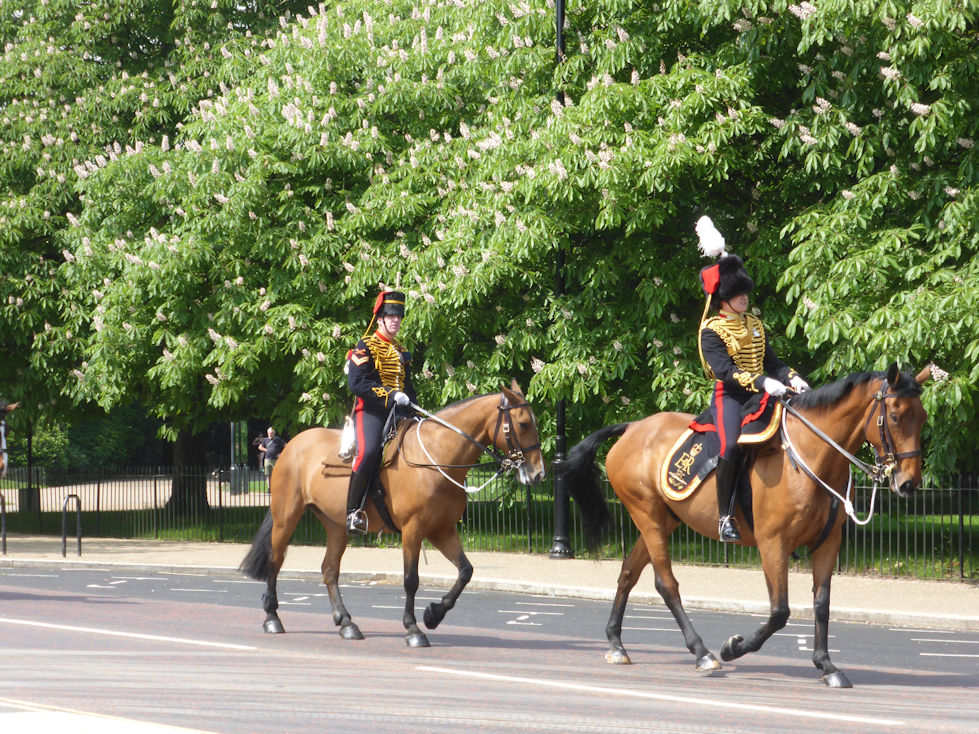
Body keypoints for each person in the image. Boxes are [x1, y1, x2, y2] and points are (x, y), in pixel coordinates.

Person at [696, 216, 809, 542]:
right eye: (739, 294)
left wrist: (792, 377)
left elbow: (772, 362)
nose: (745, 298)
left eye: (745, 293)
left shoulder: (756, 325)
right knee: (730, 445)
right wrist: (761, 383)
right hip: (730, 398)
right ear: (724, 298)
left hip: (764, 394)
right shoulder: (712, 330)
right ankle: (725, 516)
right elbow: (724, 372)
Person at [344, 290, 417, 534]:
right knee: (369, 451)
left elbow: (408, 387)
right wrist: (390, 395)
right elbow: (358, 383)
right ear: (380, 319)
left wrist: (413, 410)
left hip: (399, 413)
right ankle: (353, 512)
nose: (395, 320)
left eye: (399, 316)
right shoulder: (365, 347)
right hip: (372, 411)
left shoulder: (402, 350)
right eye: (390, 316)